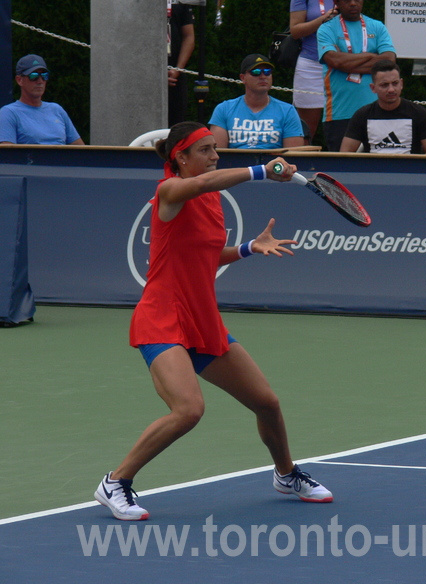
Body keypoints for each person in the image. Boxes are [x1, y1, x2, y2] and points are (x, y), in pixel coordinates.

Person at [94, 122, 333, 520]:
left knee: (266, 403)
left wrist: (247, 248)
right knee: (188, 410)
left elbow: (202, 253)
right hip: (163, 316)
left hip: (201, 317)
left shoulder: (211, 199)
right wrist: (261, 171)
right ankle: (116, 482)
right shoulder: (168, 191)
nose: (215, 156)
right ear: (181, 158)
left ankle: (286, 474)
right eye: (205, 150)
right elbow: (205, 184)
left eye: (215, 149)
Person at [316, 0, 396, 152]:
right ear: (336, 1)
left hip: (376, 113)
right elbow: (336, 61)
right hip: (340, 114)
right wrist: (372, 57)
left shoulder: (377, 27)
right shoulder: (326, 29)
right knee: (342, 170)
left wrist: (347, 61)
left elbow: (389, 61)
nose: (353, 3)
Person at [340, 59, 426, 154]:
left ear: (401, 84)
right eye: (384, 85)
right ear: (373, 88)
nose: (391, 89)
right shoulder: (362, 115)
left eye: (395, 83)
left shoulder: (419, 113)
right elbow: (345, 153)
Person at [208, 54, 305, 149]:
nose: (263, 76)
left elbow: (293, 157)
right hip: (237, 164)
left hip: (274, 164)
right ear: (243, 78)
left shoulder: (288, 111)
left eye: (267, 72)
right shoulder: (223, 109)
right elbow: (218, 154)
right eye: (256, 72)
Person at [0, 54, 84, 145]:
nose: (40, 81)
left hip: (61, 159)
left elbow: (80, 150)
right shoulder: (9, 112)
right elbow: (7, 154)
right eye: (34, 76)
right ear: (19, 80)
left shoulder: (57, 109)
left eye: (44, 76)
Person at [289, 0, 337, 142]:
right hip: (311, 65)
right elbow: (295, 30)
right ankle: (301, 165)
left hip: (341, 65)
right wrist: (323, 19)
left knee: (343, 127)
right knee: (306, 130)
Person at [167, 0, 196, 126]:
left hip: (174, 75)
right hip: (142, 77)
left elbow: (189, 36)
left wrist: (178, 69)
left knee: (176, 125)